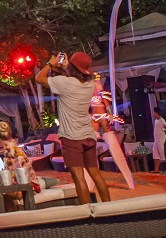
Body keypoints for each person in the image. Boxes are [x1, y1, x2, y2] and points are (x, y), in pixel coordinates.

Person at [36, 52, 111, 204]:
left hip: (72, 137)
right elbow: (72, 80)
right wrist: (65, 68)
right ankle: (108, 206)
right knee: (95, 173)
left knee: (78, 176)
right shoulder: (89, 84)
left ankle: (86, 210)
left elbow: (39, 78)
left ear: (72, 67)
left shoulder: (65, 83)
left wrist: (50, 64)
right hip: (88, 135)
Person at [152, 107, 166, 173]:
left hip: (162, 140)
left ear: (156, 112)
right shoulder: (156, 120)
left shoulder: (162, 120)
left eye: (154, 112)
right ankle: (156, 170)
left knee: (164, 155)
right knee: (155, 155)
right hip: (156, 140)